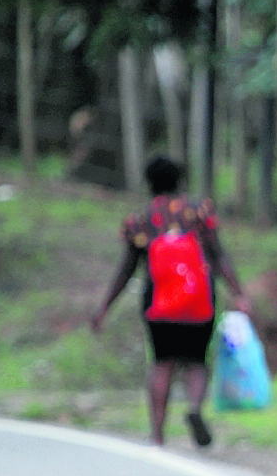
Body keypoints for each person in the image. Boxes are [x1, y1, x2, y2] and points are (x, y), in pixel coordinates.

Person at [91, 155, 249, 447]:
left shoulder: (140, 220)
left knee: (161, 363)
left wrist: (104, 307)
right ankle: (194, 408)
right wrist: (238, 293)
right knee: (197, 361)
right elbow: (218, 255)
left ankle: (157, 434)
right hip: (198, 299)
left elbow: (126, 269)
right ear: (180, 180)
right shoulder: (199, 212)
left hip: (158, 302)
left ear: (149, 183)